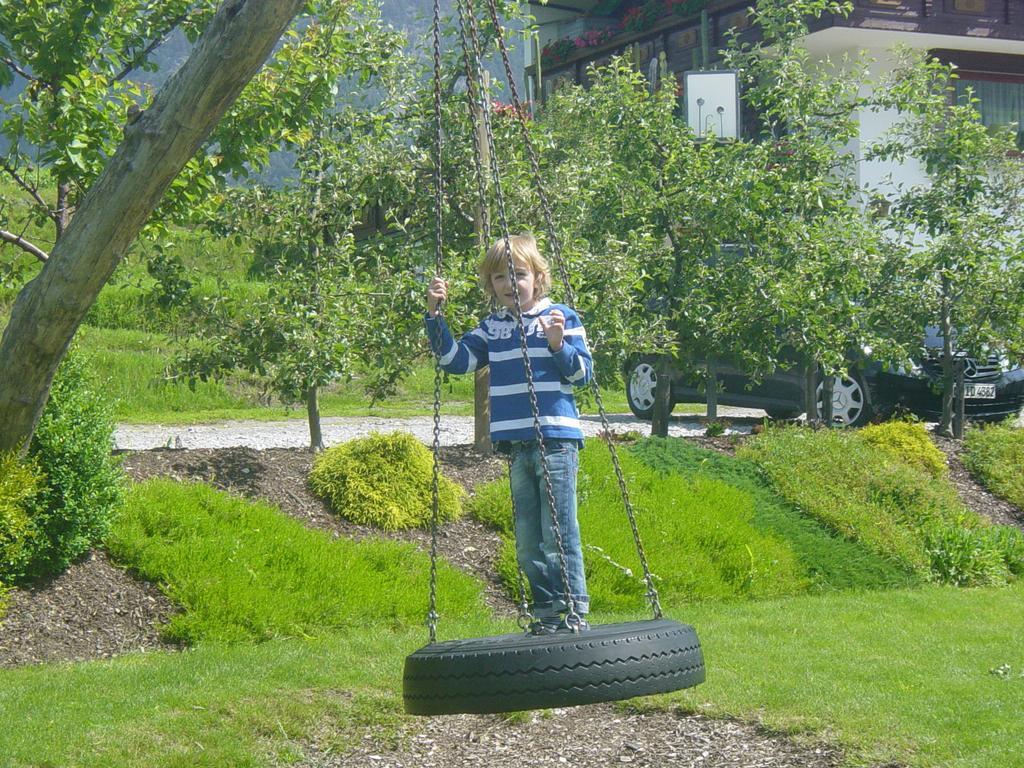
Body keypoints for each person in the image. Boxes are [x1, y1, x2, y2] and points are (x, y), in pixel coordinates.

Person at [425, 234, 593, 634]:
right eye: (499, 277)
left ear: (538, 277)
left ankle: (573, 610)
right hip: (516, 444)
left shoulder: (561, 318)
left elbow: (582, 374)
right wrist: (435, 316)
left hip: (556, 439)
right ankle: (546, 612)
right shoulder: (492, 329)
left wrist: (557, 346)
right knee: (528, 538)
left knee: (558, 529)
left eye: (517, 274)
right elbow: (456, 362)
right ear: (490, 285)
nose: (508, 284)